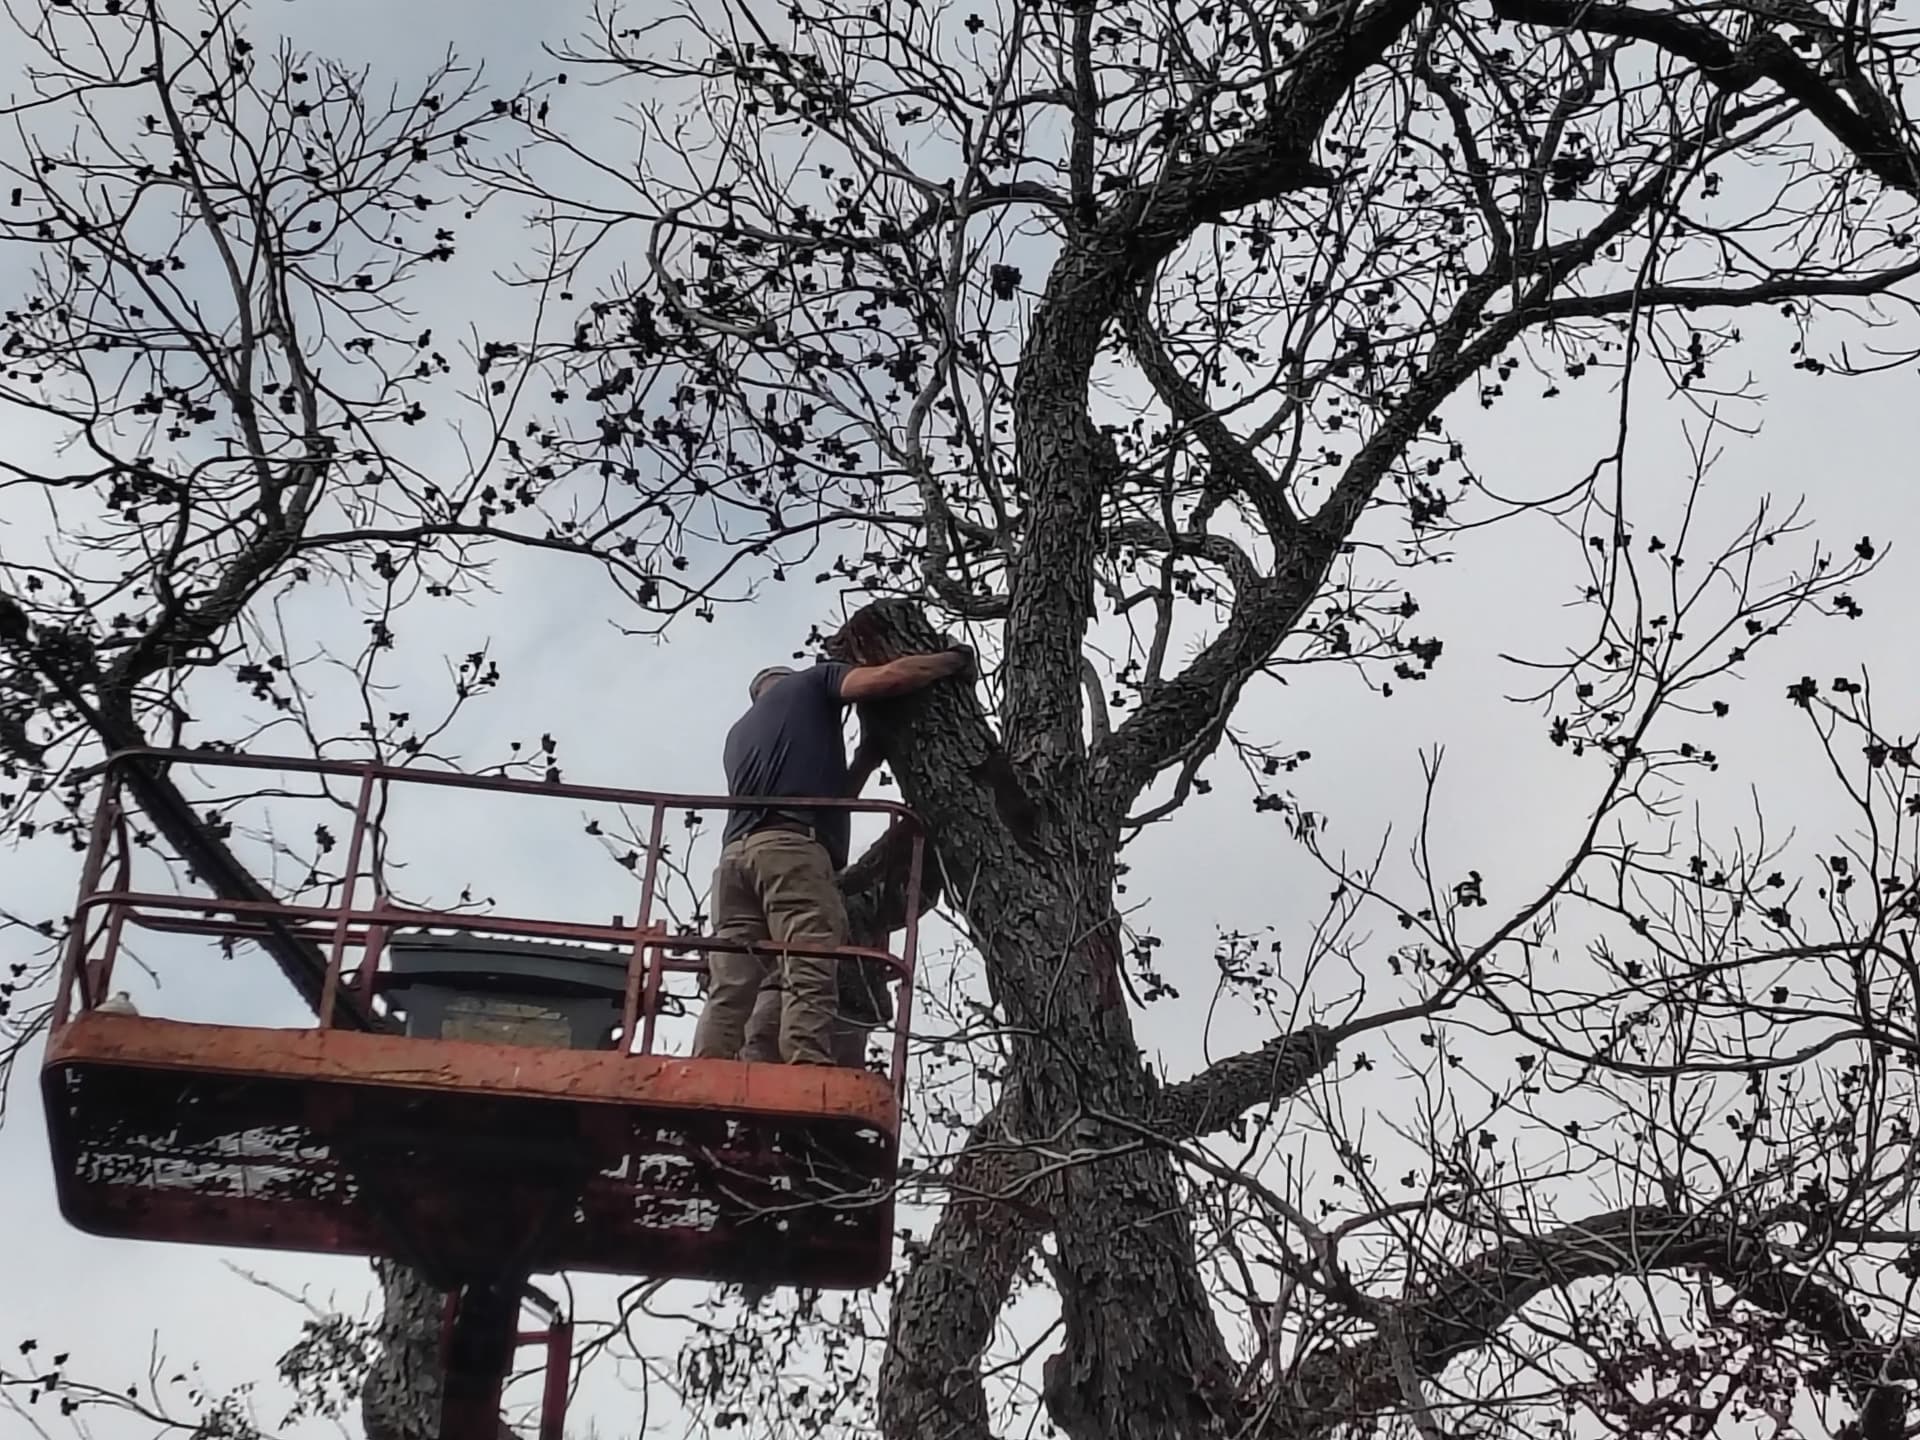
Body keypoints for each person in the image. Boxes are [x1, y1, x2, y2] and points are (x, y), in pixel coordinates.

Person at [692, 648, 970, 1065]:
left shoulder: (740, 734)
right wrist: (952, 662)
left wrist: (863, 761)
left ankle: (704, 1069)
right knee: (810, 959)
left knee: (732, 980)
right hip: (790, 850)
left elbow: (827, 801)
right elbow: (887, 679)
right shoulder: (812, 682)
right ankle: (806, 1064)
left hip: (734, 862)